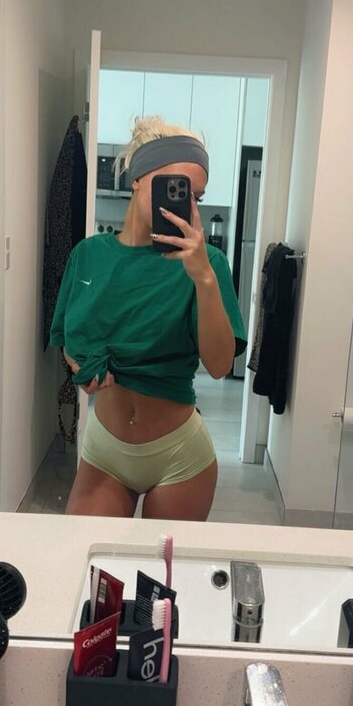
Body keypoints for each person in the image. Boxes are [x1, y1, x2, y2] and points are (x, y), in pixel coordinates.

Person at [50, 115, 247, 519]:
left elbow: (218, 365)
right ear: (138, 179)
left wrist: (203, 279)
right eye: (175, 188)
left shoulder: (208, 263)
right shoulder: (87, 255)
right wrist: (81, 368)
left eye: (195, 196)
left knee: (162, 563)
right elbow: (69, 339)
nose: (186, 204)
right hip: (104, 450)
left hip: (178, 456)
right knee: (90, 558)